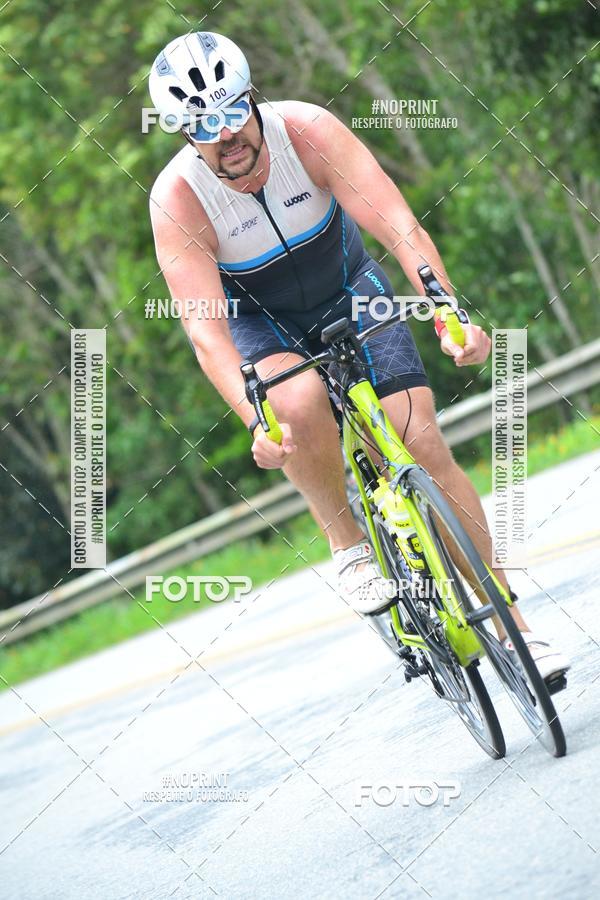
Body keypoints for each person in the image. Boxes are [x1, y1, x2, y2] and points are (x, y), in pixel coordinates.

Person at [148, 31, 569, 683]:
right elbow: (207, 334)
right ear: (184, 135)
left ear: (254, 100)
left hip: (349, 287)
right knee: (295, 402)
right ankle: (348, 547)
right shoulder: (177, 200)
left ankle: (513, 625)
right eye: (203, 126)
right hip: (263, 322)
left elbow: (399, 226)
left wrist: (449, 312)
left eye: (233, 112)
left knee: (420, 444)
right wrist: (255, 422)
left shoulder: (308, 132)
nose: (225, 136)